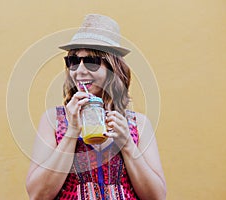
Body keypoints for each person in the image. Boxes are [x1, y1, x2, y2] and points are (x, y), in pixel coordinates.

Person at [26, 14, 166, 200]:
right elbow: (37, 194)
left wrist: (126, 143)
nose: (80, 70)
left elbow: (157, 197)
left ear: (112, 68)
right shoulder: (54, 120)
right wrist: (72, 131)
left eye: (91, 62)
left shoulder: (137, 124)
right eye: (74, 62)